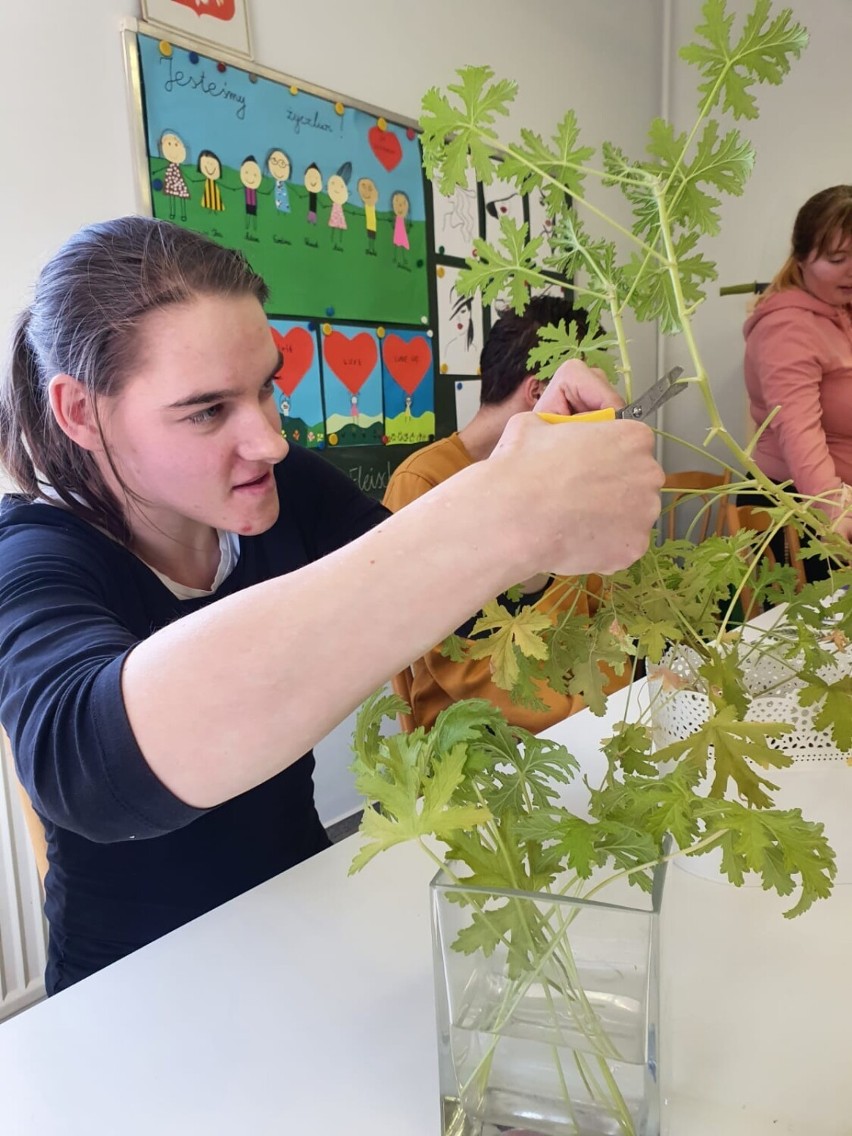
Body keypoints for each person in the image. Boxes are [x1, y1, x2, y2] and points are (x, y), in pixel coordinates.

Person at [0, 216, 663, 994]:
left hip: (303, 921)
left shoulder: (285, 490)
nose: (270, 440)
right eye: (208, 410)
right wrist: (505, 512)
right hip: (138, 992)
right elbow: (90, 763)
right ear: (80, 412)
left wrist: (530, 468)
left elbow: (451, 609)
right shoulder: (34, 555)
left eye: (267, 389)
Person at [384, 295, 622, 731]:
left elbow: (604, 611)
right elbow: (462, 662)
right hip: (481, 740)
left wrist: (608, 703)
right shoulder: (423, 483)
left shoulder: (567, 480)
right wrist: (578, 714)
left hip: (589, 718)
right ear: (542, 393)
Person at [742, 185, 852, 576]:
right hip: (796, 509)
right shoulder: (787, 328)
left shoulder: (840, 313)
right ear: (802, 259)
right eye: (838, 258)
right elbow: (798, 430)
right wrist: (834, 518)